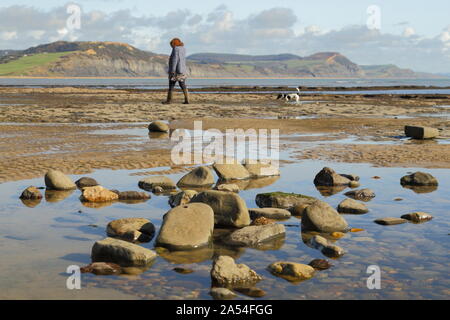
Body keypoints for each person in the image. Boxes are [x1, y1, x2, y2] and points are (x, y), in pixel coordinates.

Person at [163, 38, 189, 104]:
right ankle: (187, 100)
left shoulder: (175, 49)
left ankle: (169, 100)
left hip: (176, 71)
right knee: (183, 86)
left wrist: (172, 71)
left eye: (171, 44)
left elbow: (175, 60)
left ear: (174, 43)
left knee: (171, 86)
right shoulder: (183, 49)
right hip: (182, 70)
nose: (171, 46)